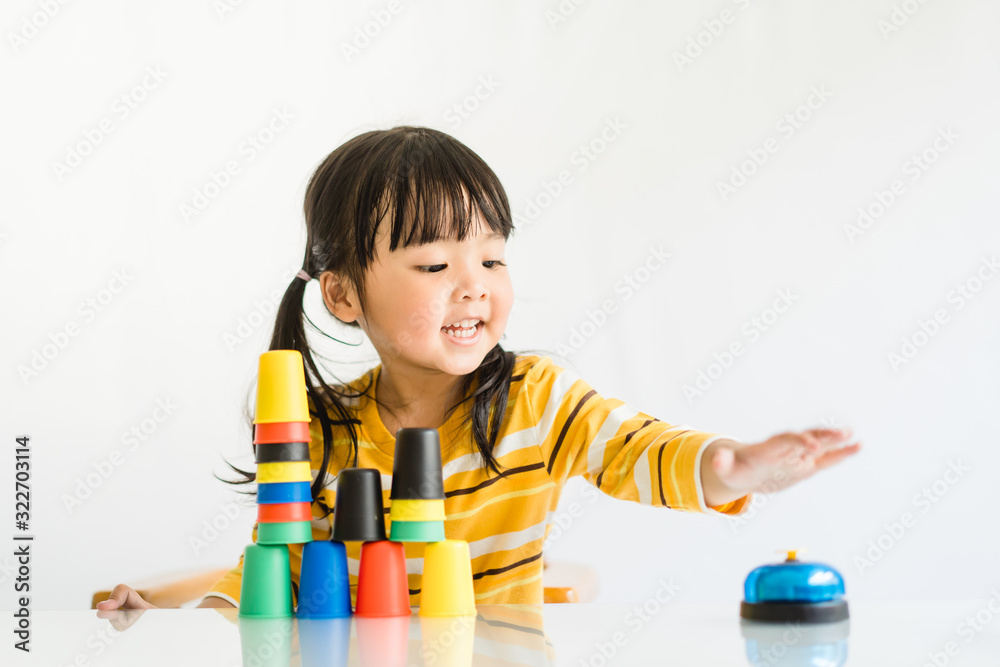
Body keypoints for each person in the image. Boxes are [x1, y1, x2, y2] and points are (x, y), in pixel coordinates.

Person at [97, 126, 861, 612]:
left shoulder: (537, 399)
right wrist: (160, 599)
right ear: (343, 294)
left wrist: (734, 465)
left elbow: (641, 453)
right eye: (434, 261)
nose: (475, 283)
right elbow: (277, 579)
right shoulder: (323, 431)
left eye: (492, 256)